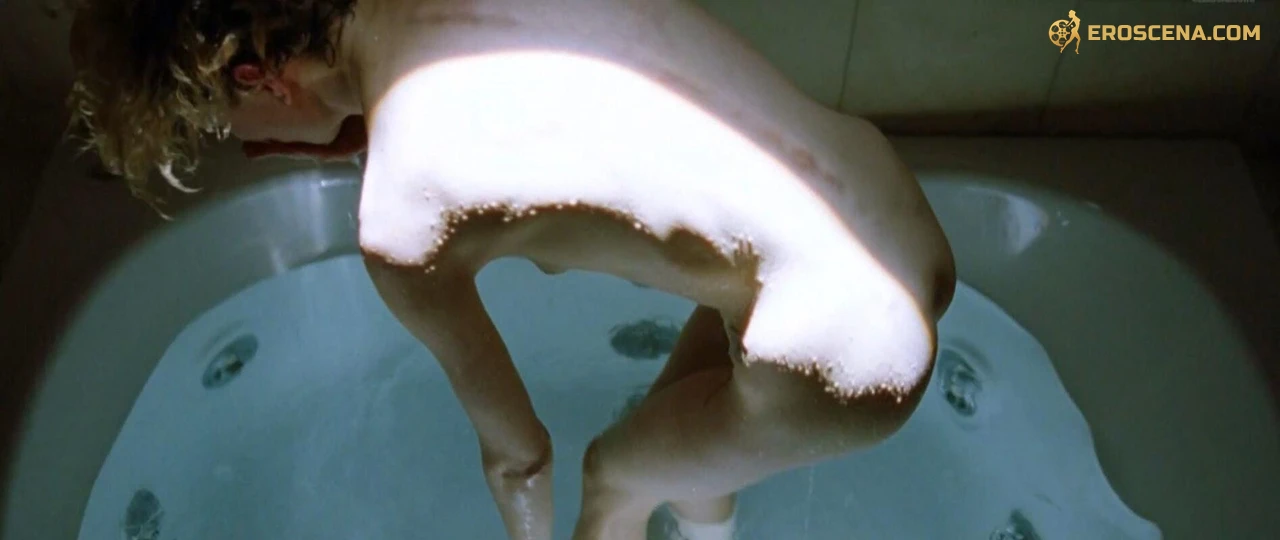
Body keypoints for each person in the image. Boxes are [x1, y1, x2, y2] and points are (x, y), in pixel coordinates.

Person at [68, 0, 956, 539]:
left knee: (609, 478)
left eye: (228, 126)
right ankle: (705, 526)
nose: (250, 146)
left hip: (839, 346)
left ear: (261, 79)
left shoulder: (402, 219)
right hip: (884, 208)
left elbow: (521, 460)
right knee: (677, 443)